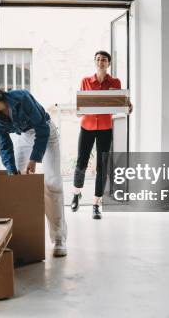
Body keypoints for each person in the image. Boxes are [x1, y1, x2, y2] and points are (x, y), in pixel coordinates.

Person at [0, 81, 68, 257]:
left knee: (52, 185)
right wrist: (11, 169)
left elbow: (42, 128)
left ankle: (59, 239)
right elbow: (5, 144)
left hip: (46, 133)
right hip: (26, 136)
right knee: (15, 181)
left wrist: (34, 158)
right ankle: (18, 236)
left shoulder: (22, 97)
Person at [71, 50, 132, 220]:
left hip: (105, 127)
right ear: (94, 62)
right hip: (87, 126)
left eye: (104, 59)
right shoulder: (85, 81)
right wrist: (78, 110)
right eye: (97, 59)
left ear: (108, 63)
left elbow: (119, 103)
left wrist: (127, 105)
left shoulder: (115, 82)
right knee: (81, 163)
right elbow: (82, 104)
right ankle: (76, 193)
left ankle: (97, 204)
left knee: (102, 167)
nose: (100, 62)